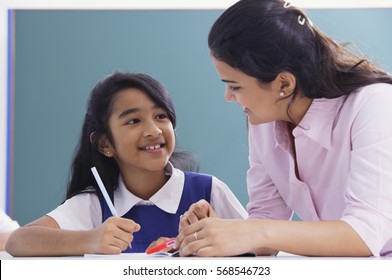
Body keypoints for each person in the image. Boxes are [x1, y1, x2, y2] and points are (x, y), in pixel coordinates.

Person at [175, 0, 392, 257]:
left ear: (284, 84)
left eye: (235, 86)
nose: (228, 97)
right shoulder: (264, 120)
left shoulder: (374, 104)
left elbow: (365, 235)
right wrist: (221, 231)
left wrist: (253, 232)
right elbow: (266, 223)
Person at [5, 71, 247, 256]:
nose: (153, 130)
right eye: (133, 121)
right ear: (104, 144)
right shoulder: (94, 205)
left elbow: (264, 252)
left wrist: (219, 239)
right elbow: (18, 241)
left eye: (161, 116)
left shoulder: (207, 192)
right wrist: (90, 240)